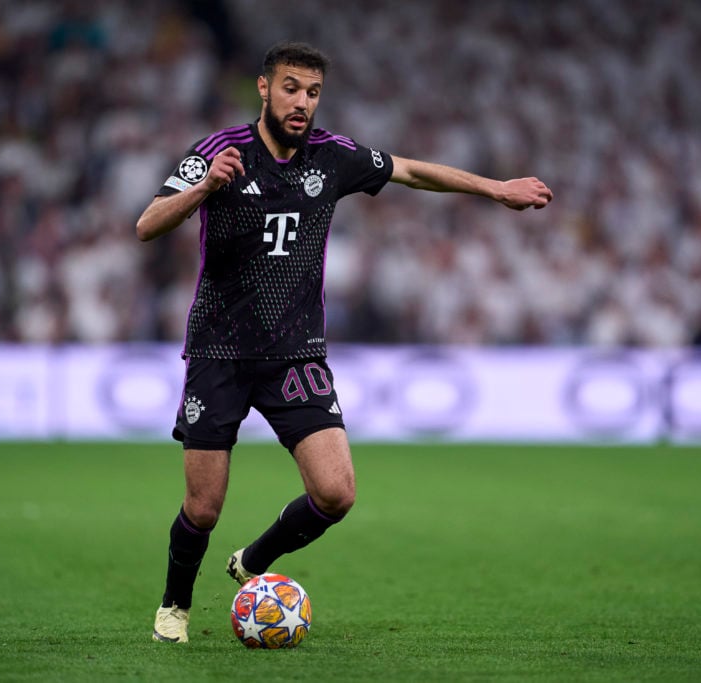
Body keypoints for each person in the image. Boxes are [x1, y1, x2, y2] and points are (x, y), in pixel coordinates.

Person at [135, 41, 553, 643]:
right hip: (219, 353)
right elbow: (147, 225)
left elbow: (409, 170)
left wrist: (494, 188)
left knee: (335, 493)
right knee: (202, 508)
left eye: (312, 92)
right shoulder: (218, 152)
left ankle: (255, 559)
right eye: (291, 88)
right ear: (263, 88)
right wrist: (203, 190)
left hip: (295, 354)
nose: (302, 102)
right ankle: (175, 606)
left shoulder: (333, 158)